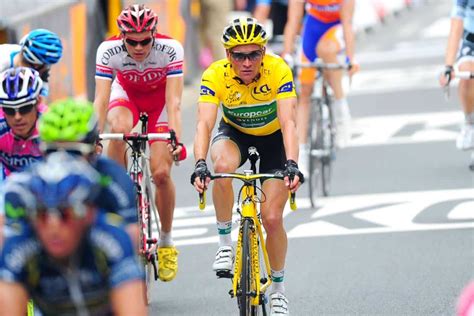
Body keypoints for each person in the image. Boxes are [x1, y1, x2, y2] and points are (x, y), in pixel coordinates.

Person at [191, 17, 303, 315]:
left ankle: (278, 290)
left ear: (263, 52)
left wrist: (292, 163)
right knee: (222, 167)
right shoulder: (215, 74)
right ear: (228, 55)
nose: (247, 62)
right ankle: (225, 243)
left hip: (274, 140)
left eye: (253, 54)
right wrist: (200, 163)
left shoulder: (278, 70)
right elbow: (204, 123)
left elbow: (289, 122)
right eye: (239, 55)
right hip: (235, 134)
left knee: (272, 217)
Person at [94, 4, 186, 282]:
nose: (138, 47)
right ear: (121, 37)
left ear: (154, 35)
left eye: (145, 40)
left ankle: (167, 242)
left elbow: (175, 103)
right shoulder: (107, 50)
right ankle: (118, 188)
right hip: (127, 97)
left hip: (159, 105)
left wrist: (176, 141)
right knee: (118, 128)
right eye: (131, 41)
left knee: (160, 172)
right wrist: (94, 139)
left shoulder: (171, 49)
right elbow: (100, 101)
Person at [0, 152, 147, 315]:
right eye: (41, 215)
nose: (53, 228)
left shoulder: (112, 239)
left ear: (88, 214)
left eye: (65, 214)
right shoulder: (18, 248)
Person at [37, 98, 139, 240]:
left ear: (94, 150)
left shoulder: (114, 178)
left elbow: (130, 235)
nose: (63, 160)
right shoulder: (25, 182)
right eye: (53, 151)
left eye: (74, 152)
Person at [282, 0, 358, 175]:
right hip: (313, 29)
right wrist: (287, 53)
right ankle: (300, 154)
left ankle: (340, 109)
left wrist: (350, 58)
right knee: (305, 90)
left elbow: (347, 23)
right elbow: (293, 20)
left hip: (336, 29)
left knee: (326, 49)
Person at [439, 0, 474, 150]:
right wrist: (448, 66)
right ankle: (470, 123)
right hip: (471, 39)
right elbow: (456, 25)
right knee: (467, 76)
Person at [0, 29, 62, 97]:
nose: (38, 72)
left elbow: (41, 98)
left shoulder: (42, 68)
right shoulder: (3, 60)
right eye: (36, 67)